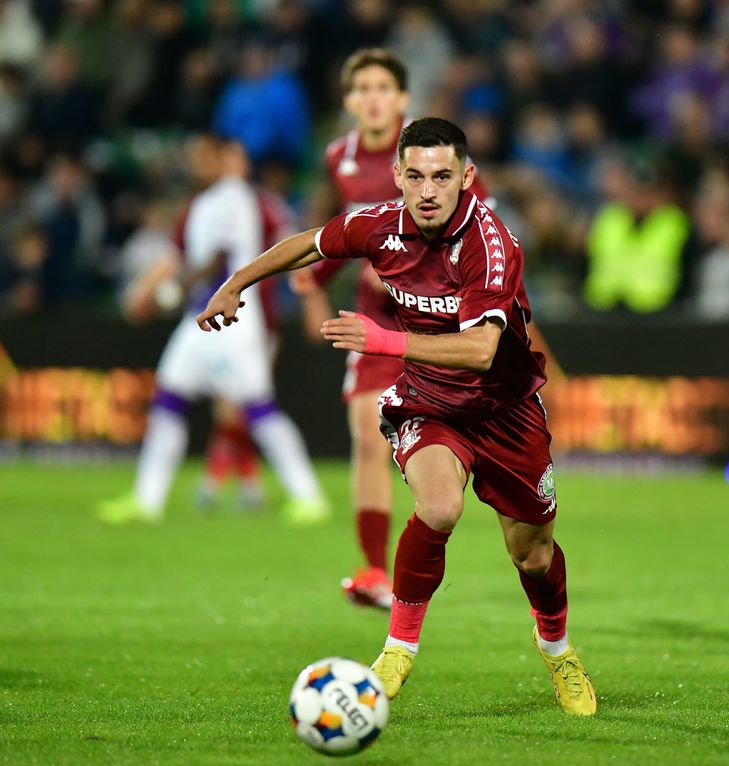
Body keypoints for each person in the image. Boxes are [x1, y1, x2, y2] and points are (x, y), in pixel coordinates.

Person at [196, 118, 596, 716]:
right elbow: (310, 242)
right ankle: (398, 649)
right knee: (438, 507)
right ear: (398, 177)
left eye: (441, 176)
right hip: (430, 402)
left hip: (506, 411)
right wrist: (236, 283)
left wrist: (382, 341)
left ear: (466, 177)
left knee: (534, 555)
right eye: (415, 176)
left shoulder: (490, 244)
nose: (428, 190)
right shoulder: (380, 225)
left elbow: (482, 350)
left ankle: (558, 651)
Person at [97, 133, 328, 526]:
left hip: (234, 318)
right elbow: (180, 255)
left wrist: (170, 291)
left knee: (257, 408)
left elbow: (219, 259)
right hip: (199, 319)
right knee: (168, 397)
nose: (195, 163)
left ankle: (309, 497)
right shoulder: (200, 202)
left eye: (203, 156)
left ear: (222, 160)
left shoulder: (234, 196)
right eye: (193, 157)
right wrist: (151, 291)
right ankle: (146, 499)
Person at [289, 48, 414, 609]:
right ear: (347, 100)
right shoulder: (338, 156)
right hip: (376, 320)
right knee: (368, 433)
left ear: (402, 98)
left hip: (442, 319)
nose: (372, 97)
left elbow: (479, 224)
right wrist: (312, 284)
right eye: (361, 87)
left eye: (383, 87)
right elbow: (340, 233)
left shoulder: (430, 149)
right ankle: (373, 572)